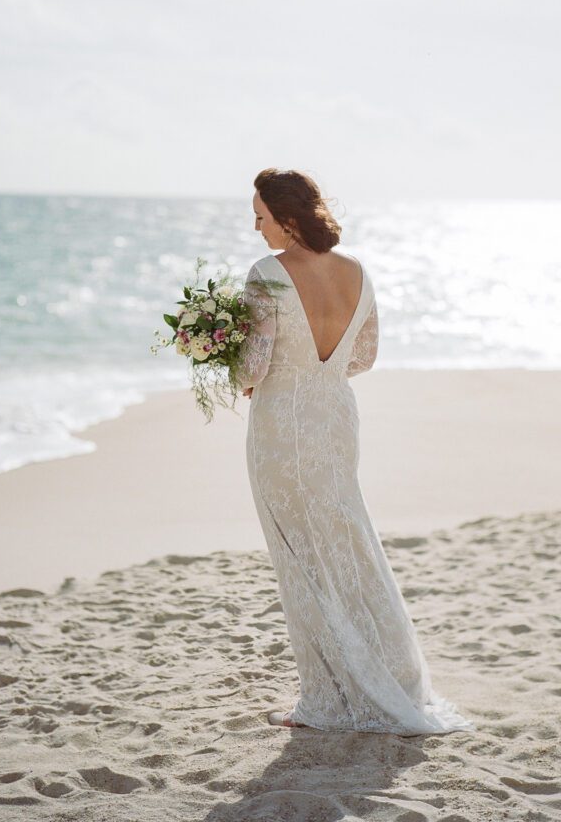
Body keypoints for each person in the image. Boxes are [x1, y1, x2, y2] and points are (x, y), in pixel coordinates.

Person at [236, 167, 475, 735]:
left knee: (299, 555)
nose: (255, 227)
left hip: (281, 425)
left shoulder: (266, 275)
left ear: (288, 219)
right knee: (347, 540)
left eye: (261, 216)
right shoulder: (358, 274)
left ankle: (325, 697)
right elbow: (363, 358)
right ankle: (387, 672)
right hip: (336, 419)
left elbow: (254, 365)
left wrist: (233, 367)